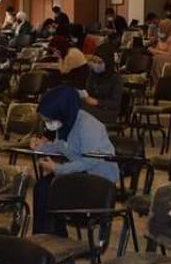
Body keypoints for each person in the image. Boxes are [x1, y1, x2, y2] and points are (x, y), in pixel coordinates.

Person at [29, 86, 118, 236]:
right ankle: (46, 234)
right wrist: (42, 146)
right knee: (41, 187)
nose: (47, 123)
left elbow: (89, 161)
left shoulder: (88, 126)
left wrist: (58, 169)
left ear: (61, 111)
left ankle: (52, 234)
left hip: (98, 177)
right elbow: (62, 146)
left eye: (49, 119)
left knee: (50, 189)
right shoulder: (67, 121)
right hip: (80, 171)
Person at [81, 43, 123, 125]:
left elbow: (116, 103)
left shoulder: (115, 78)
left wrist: (97, 102)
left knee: (81, 111)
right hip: (92, 107)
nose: (95, 64)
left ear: (107, 63)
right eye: (94, 61)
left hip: (108, 111)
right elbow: (89, 92)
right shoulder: (92, 74)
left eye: (99, 62)